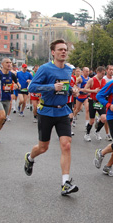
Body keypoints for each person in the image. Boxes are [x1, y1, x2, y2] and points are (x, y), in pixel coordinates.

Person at [24, 39, 80, 195]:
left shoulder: (68, 70)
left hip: (63, 111)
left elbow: (66, 89)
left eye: (65, 49)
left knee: (66, 145)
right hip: (46, 112)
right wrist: (51, 87)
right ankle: (30, 158)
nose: (63, 52)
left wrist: (72, 91)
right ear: (53, 53)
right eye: (60, 49)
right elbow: (32, 87)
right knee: (43, 147)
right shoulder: (45, 69)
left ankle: (65, 183)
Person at [0, 58, 19, 144]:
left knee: (4, 119)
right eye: (7, 62)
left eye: (10, 62)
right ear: (2, 64)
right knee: (2, 116)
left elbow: (17, 84)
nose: (9, 64)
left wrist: (17, 86)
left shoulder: (12, 75)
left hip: (7, 99)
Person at [83, 66, 107, 141]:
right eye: (102, 74)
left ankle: (97, 132)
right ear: (98, 72)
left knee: (104, 118)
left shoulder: (104, 81)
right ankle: (87, 134)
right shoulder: (91, 80)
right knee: (92, 120)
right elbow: (85, 90)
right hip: (92, 101)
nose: (103, 75)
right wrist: (94, 91)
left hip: (100, 102)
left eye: (104, 74)